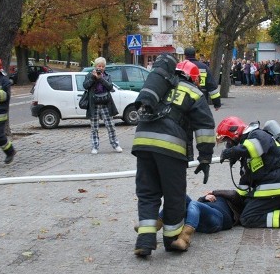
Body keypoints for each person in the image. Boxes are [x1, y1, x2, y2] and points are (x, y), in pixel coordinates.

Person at [132, 58, 216, 257]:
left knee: (147, 193)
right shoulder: (194, 92)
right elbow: (204, 127)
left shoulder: (159, 86)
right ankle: (171, 240)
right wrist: (205, 158)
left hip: (142, 142)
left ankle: (144, 241)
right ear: (194, 79)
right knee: (174, 196)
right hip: (171, 147)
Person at [217, 116, 280, 230]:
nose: (228, 144)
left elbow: (253, 148)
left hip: (277, 183)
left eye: (227, 140)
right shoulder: (246, 155)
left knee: (248, 218)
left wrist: (231, 152)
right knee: (248, 205)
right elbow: (246, 181)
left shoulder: (257, 135)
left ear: (234, 133)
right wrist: (236, 198)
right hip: (275, 183)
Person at [83, 57, 122, 154]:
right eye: (99, 66)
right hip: (94, 104)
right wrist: (93, 78)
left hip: (105, 103)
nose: (100, 68)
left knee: (110, 126)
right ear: (95, 66)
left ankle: (115, 145)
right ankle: (95, 147)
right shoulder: (89, 75)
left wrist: (101, 79)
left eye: (102, 66)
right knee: (94, 127)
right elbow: (85, 86)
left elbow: (110, 87)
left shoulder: (107, 76)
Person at [184, 47, 222, 111]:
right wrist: (217, 104)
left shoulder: (180, 67)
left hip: (184, 101)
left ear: (185, 55)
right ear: (195, 54)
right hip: (201, 100)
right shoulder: (204, 67)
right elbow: (212, 86)